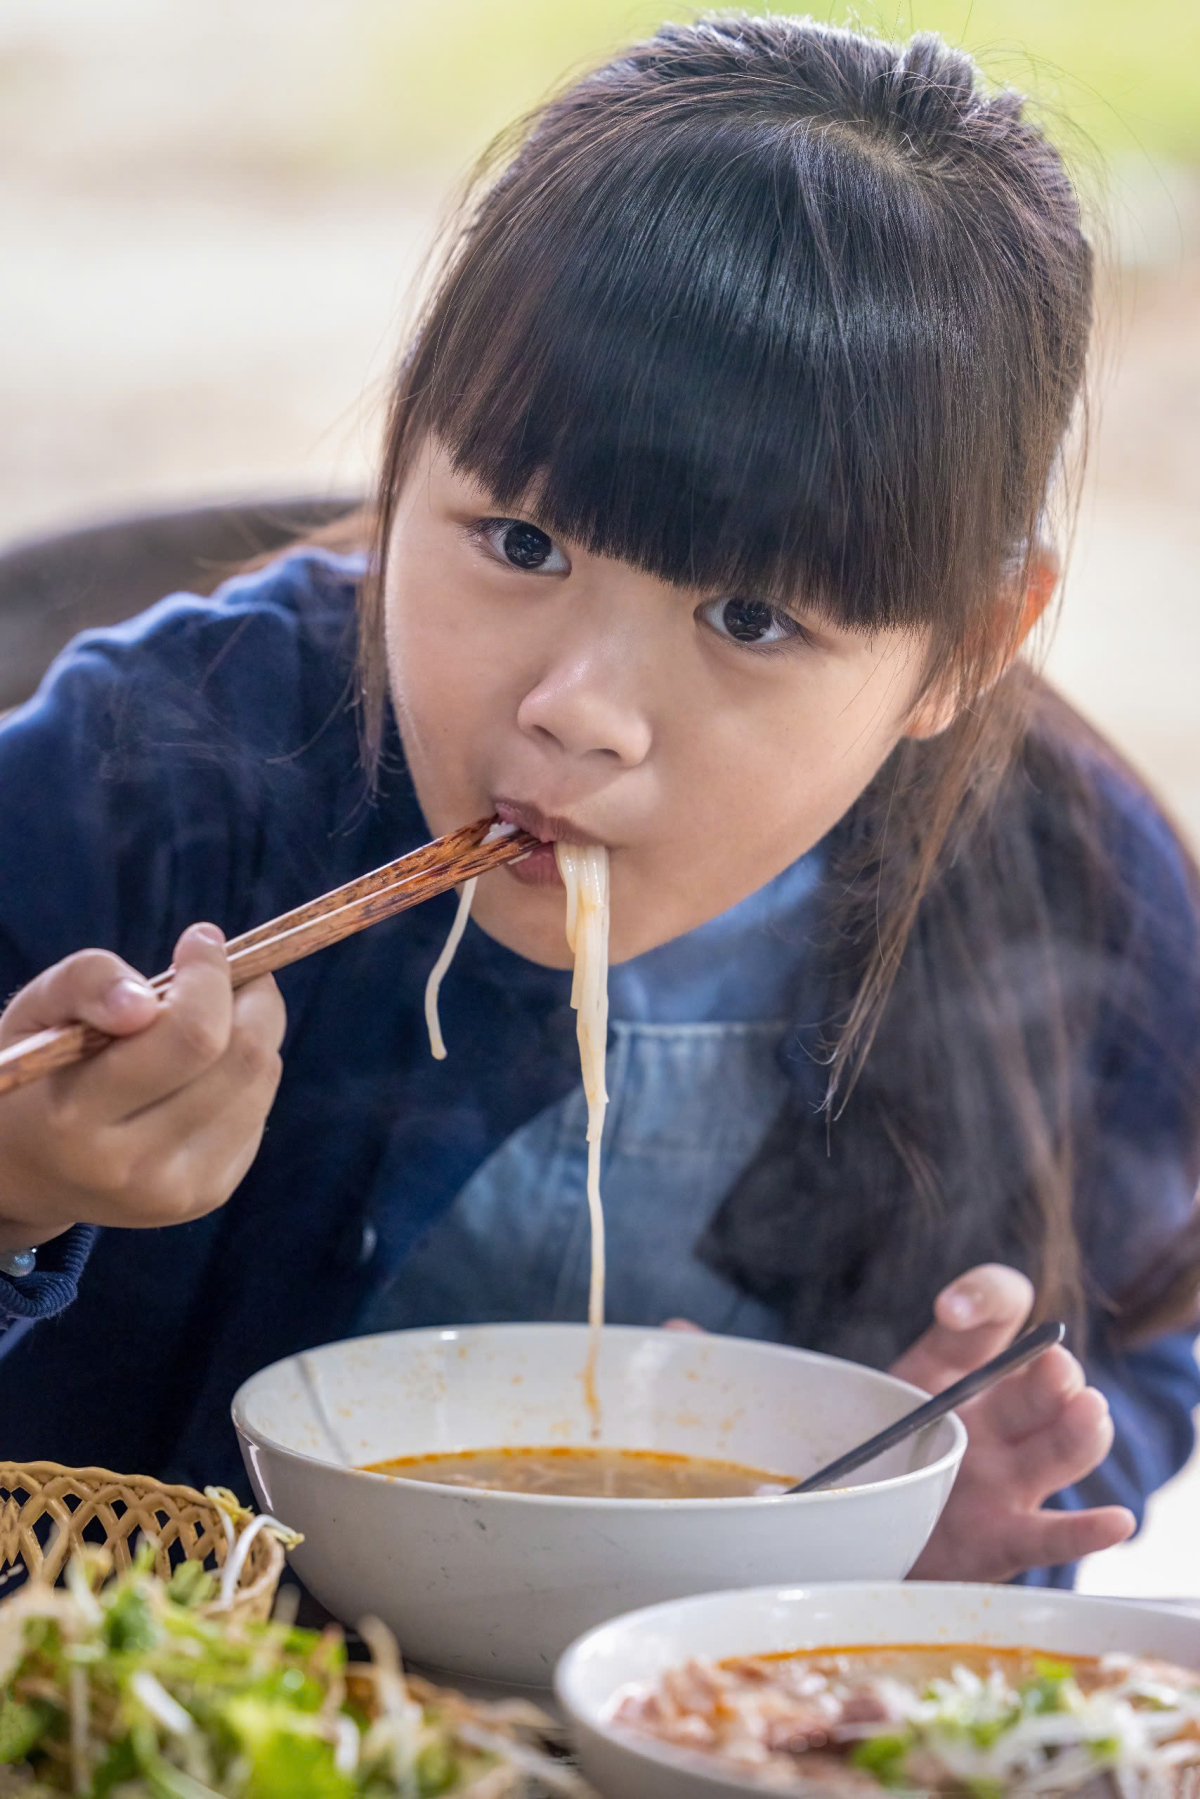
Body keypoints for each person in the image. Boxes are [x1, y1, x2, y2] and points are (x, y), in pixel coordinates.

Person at [1, 15, 1197, 1588]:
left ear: (962, 652)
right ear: (407, 446)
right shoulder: (154, 767)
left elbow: (1142, 1325)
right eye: (518, 543)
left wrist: (938, 1519)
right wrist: (20, 1198)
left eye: (753, 622)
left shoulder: (1068, 892)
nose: (577, 710)